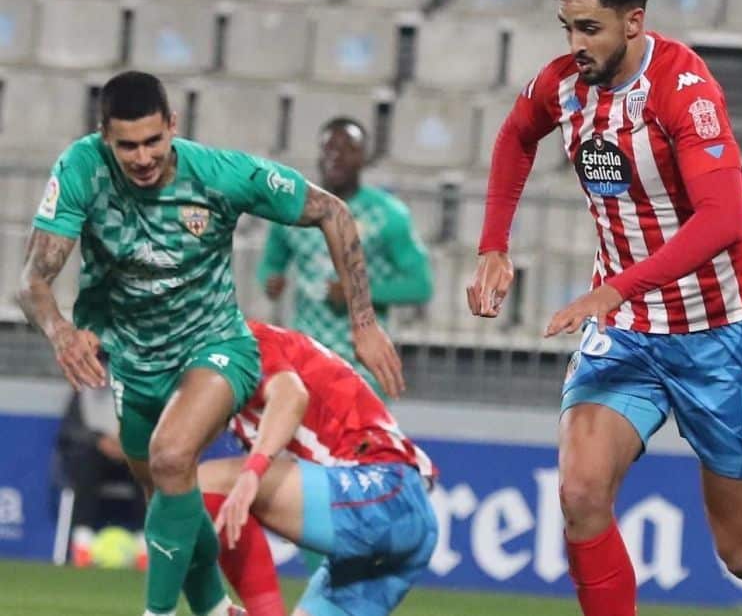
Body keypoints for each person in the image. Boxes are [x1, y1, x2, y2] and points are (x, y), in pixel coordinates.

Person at [466, 0, 742, 616]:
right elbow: (515, 135)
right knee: (580, 493)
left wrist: (616, 284)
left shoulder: (682, 88)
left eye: (590, 29)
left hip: (721, 335)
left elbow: (723, 218)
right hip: (628, 332)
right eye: (568, 28)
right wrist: (494, 244)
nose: (576, 44)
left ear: (633, 21)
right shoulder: (563, 85)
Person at [17, 71, 402, 616]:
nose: (144, 156)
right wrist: (60, 332)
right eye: (128, 146)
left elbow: (332, 213)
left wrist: (363, 322)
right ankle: (218, 610)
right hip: (134, 362)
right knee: (168, 499)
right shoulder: (81, 168)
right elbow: (32, 280)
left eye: (154, 140)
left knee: (172, 456)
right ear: (105, 138)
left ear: (173, 125)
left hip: (216, 346)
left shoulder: (219, 174)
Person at [198, 320, 438, 616]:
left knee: (206, 482)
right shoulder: (229, 385)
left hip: (384, 489)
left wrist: (253, 473)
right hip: (399, 515)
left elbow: (291, 396)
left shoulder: (245, 342)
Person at [258, 116, 433, 398]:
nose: (336, 156)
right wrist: (270, 280)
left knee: (356, 441)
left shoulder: (387, 214)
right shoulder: (295, 207)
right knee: (302, 439)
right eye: (329, 147)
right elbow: (271, 262)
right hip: (307, 355)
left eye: (348, 148)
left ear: (363, 158)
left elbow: (420, 285)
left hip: (361, 361)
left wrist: (359, 292)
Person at [56, 385, 147, 568]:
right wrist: (98, 440)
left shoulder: (146, 386)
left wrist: (129, 442)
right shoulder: (83, 390)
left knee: (146, 463)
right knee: (86, 460)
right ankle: (83, 541)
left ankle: (144, 543)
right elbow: (69, 430)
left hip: (132, 453)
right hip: (94, 454)